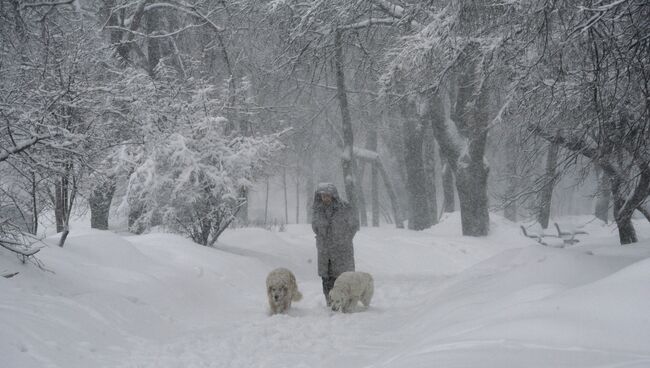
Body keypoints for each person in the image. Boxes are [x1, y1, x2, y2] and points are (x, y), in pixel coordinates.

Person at [311, 182, 360, 305]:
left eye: (327, 195)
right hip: (324, 250)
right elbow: (315, 226)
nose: (325, 198)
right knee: (326, 278)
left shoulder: (345, 208)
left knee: (343, 277)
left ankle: (346, 301)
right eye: (322, 195)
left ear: (333, 195)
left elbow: (354, 225)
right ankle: (330, 301)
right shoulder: (317, 210)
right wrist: (322, 238)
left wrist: (345, 238)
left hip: (342, 249)